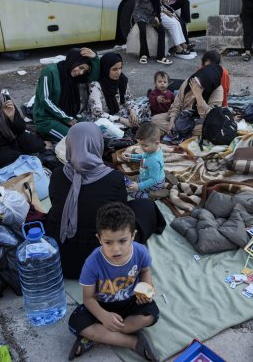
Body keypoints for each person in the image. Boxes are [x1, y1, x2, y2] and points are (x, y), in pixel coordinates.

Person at [45, 123, 166, 279]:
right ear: (98, 144)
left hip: (61, 258)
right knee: (146, 206)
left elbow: (55, 201)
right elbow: (121, 215)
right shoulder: (114, 178)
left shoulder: (57, 175)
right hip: (102, 259)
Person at [67, 202, 159, 362]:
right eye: (108, 242)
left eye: (123, 241)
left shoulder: (140, 251)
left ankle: (100, 336)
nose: (116, 249)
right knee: (75, 322)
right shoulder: (92, 262)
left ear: (133, 235)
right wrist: (103, 316)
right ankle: (133, 342)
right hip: (103, 304)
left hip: (131, 301)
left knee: (151, 315)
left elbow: (145, 271)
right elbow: (88, 299)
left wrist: (146, 286)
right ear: (99, 239)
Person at [33, 47, 100, 142]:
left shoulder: (74, 77)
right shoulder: (49, 71)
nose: (80, 72)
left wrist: (94, 58)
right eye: (80, 67)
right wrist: (66, 118)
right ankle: (44, 136)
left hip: (67, 115)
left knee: (91, 131)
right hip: (46, 119)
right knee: (75, 141)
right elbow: (45, 99)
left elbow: (93, 77)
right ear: (74, 61)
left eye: (83, 71)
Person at [151, 64, 224, 136]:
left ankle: (178, 131)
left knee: (211, 128)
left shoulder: (217, 90)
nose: (196, 85)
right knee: (155, 119)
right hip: (182, 114)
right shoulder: (191, 80)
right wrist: (172, 121)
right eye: (196, 82)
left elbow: (211, 115)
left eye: (200, 85)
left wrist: (199, 96)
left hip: (199, 120)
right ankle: (179, 130)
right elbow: (177, 102)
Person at [85, 53, 142, 128]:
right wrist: (122, 120)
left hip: (117, 112)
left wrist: (132, 112)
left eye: (120, 68)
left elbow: (128, 99)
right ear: (106, 68)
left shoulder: (122, 79)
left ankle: (130, 125)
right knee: (105, 126)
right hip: (102, 117)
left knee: (143, 108)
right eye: (114, 69)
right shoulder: (95, 86)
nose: (118, 72)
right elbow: (98, 113)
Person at [133, 0, 173, 65]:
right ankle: (143, 55)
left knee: (161, 30)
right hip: (140, 13)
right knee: (142, 30)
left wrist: (156, 16)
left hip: (151, 15)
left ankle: (160, 56)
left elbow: (157, 4)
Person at [126, 123, 165, 199]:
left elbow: (153, 180)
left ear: (157, 143)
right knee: (135, 181)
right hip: (150, 176)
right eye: (140, 145)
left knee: (130, 192)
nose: (141, 148)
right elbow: (143, 156)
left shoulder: (154, 161)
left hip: (154, 184)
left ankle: (150, 196)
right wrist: (131, 157)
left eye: (145, 145)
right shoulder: (151, 150)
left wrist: (139, 186)